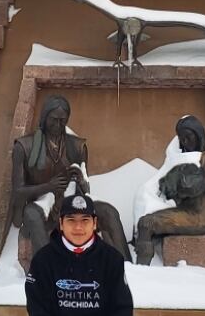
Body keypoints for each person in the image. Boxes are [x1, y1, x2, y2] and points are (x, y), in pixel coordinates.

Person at [11, 95, 131, 260]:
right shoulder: (24, 147)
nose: (58, 125)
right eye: (53, 120)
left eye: (63, 120)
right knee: (32, 215)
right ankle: (48, 270)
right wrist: (49, 187)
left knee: (109, 212)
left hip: (71, 201)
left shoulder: (77, 146)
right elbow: (17, 191)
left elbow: (85, 190)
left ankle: (126, 268)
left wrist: (81, 180)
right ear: (45, 118)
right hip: (41, 203)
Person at [135, 115, 205, 265]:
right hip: (188, 213)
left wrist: (177, 180)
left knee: (146, 224)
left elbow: (194, 187)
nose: (185, 142)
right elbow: (164, 187)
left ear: (198, 135)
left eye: (189, 137)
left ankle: (142, 272)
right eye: (182, 139)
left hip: (202, 218)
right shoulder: (185, 161)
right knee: (146, 222)